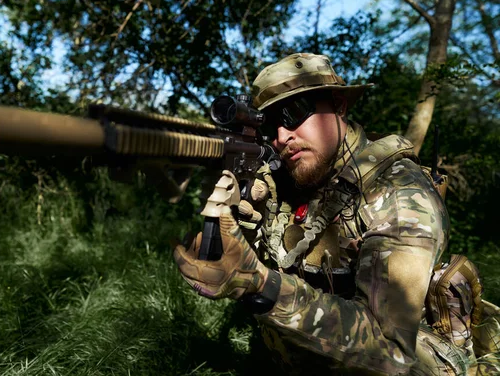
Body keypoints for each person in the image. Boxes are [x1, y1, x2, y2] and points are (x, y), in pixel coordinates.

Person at [173, 53, 499, 375]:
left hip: (409, 352)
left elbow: (390, 352)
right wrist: (243, 221)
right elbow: (284, 257)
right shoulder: (291, 176)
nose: (282, 137)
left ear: (340, 106)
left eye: (294, 113)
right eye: (270, 125)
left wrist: (261, 285)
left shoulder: (399, 196)